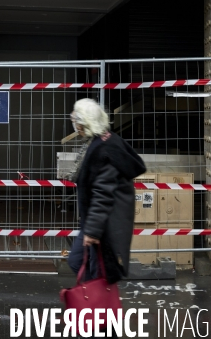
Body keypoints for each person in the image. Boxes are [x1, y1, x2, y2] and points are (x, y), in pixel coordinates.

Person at [66, 98, 146, 285]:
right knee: (79, 262)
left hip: (103, 228)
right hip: (94, 223)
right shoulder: (97, 142)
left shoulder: (104, 150)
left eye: (76, 120)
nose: (74, 123)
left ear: (84, 123)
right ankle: (93, 304)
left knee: (95, 272)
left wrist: (92, 232)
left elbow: (102, 195)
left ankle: (97, 308)